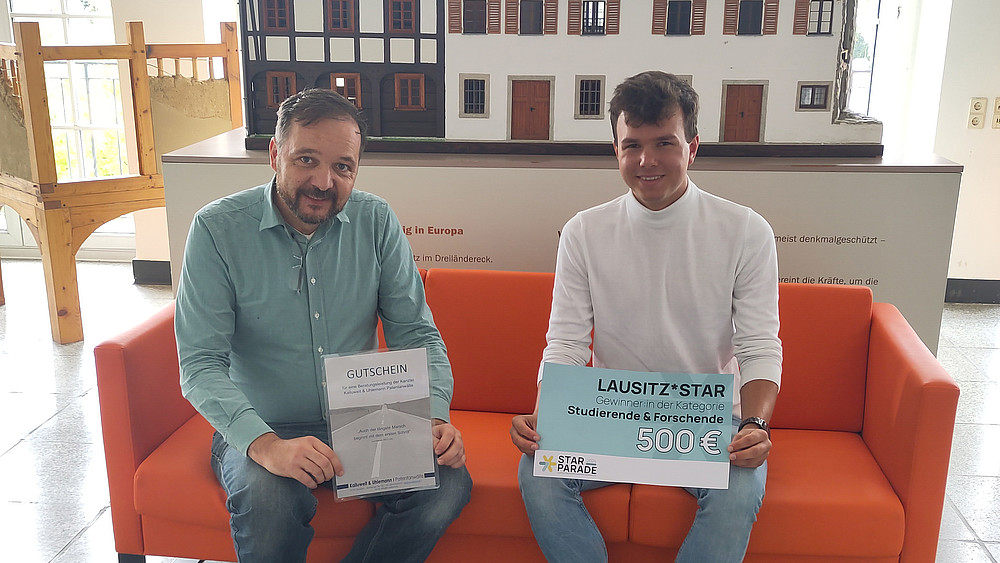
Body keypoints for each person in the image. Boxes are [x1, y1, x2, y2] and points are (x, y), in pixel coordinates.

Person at [175, 88, 471, 563]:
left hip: (364, 420)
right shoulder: (216, 229)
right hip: (263, 423)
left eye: (342, 167)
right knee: (269, 498)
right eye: (306, 159)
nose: (323, 181)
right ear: (275, 154)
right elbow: (200, 363)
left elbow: (415, 334)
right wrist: (267, 446)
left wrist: (434, 418)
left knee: (447, 483)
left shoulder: (376, 221)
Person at [510, 71, 782, 562]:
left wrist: (757, 425)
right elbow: (567, 342)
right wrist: (549, 413)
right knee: (537, 474)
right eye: (631, 144)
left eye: (664, 143)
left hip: (706, 417)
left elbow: (759, 345)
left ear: (692, 147)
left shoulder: (745, 231)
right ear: (616, 150)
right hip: (610, 413)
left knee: (739, 488)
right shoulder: (583, 232)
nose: (646, 160)